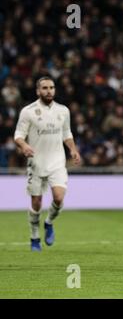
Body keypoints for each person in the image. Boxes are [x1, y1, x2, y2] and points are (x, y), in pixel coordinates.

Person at [14, 76, 81, 251]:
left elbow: (67, 133)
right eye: (44, 88)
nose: (49, 90)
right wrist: (24, 145)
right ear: (38, 91)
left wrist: (73, 149)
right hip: (36, 163)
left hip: (57, 163)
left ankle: (49, 222)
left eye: (51, 87)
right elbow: (18, 135)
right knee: (36, 203)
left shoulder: (63, 111)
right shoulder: (28, 112)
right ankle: (34, 237)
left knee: (58, 198)